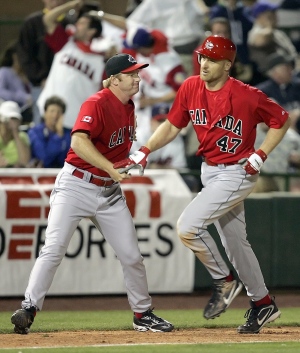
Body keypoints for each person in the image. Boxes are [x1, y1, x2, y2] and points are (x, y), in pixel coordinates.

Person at [114, 35, 290, 333]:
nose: (204, 63)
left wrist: (261, 154)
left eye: (211, 59)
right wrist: (144, 151)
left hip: (238, 170)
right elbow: (172, 124)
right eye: (202, 57)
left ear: (227, 65)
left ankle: (224, 280)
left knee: (188, 227)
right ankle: (262, 304)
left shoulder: (246, 94)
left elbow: (281, 120)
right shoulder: (191, 86)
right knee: (235, 243)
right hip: (210, 170)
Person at [10, 53, 174, 335]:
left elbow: (116, 150)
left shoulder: (129, 105)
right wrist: (111, 167)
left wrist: (131, 161)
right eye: (131, 73)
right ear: (114, 79)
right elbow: (78, 141)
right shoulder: (96, 102)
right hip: (76, 184)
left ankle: (142, 314)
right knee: (54, 248)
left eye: (137, 72)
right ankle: (28, 308)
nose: (137, 77)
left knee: (132, 256)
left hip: (108, 191)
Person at [37, 0, 117, 131]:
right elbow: (48, 19)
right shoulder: (66, 42)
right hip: (46, 113)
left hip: (75, 122)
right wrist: (71, 5)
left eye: (82, 23)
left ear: (91, 31)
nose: (76, 25)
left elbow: (105, 94)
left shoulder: (102, 61)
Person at [122, 26, 186, 150]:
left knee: (158, 146)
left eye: (137, 48)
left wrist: (153, 101)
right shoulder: (147, 51)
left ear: (142, 48)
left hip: (163, 110)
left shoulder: (170, 61)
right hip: (144, 107)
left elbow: (182, 91)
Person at [17, 0, 70, 124]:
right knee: (41, 118)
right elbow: (25, 54)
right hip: (41, 85)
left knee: (66, 121)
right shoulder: (32, 23)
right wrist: (39, 78)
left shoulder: (71, 23)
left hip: (66, 84)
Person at [247, 1, 298, 76]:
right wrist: (269, 23)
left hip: (290, 71)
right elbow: (261, 41)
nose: (276, 16)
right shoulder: (256, 31)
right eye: (271, 14)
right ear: (260, 16)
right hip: (271, 76)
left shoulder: (277, 32)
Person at [28, 95, 71, 168]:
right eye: (52, 111)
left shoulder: (69, 134)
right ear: (45, 113)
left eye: (59, 112)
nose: (55, 115)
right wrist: (58, 136)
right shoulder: (35, 132)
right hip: (41, 176)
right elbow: (44, 159)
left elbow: (69, 159)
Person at [0, 41, 33, 124]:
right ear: (15, 57)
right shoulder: (4, 71)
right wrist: (21, 97)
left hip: (26, 108)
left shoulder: (26, 75)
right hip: (10, 109)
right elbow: (1, 91)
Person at [0, 100, 31, 167]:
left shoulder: (22, 136)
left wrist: (15, 132)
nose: (12, 122)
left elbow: (24, 161)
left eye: (15, 119)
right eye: (10, 118)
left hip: (16, 176)